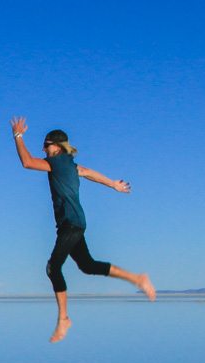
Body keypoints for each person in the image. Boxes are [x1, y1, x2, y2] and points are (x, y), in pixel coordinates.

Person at [10, 116, 156, 342]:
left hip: (71, 223)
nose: (44, 149)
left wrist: (18, 136)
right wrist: (113, 184)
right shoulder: (70, 164)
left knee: (53, 268)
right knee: (87, 266)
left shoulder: (57, 162)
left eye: (46, 145)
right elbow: (88, 172)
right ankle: (137, 279)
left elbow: (27, 162)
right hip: (74, 223)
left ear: (56, 147)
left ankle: (64, 319)